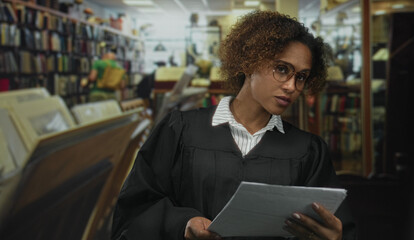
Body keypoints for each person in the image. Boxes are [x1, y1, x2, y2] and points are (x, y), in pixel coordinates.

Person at [112, 11, 357, 240]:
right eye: (282, 69)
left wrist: (336, 236)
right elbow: (135, 210)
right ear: (250, 62)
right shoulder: (180, 130)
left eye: (301, 77)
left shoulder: (308, 150)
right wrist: (183, 223)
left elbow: (338, 225)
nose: (292, 86)